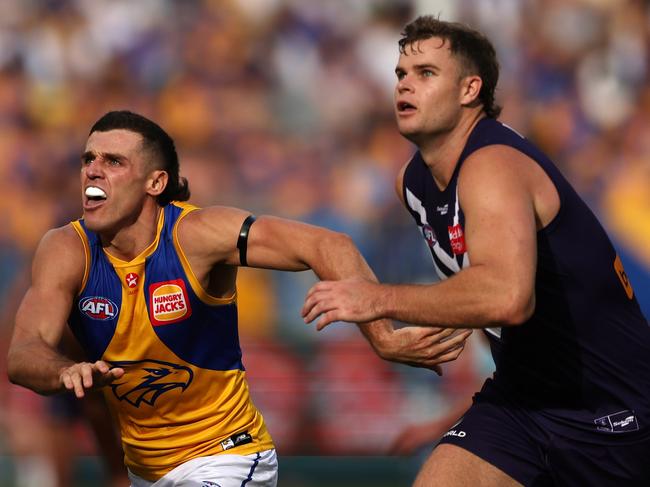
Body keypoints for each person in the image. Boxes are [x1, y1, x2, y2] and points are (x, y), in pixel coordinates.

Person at [6, 110, 470, 487]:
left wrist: (383, 338)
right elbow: (24, 353)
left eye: (113, 161)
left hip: (227, 458)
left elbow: (330, 246)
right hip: (150, 474)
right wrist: (66, 372)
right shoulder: (65, 249)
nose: (92, 169)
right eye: (89, 157)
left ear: (155, 182)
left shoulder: (199, 235)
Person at [302, 16, 650, 486]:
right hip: (519, 409)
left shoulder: (493, 165)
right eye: (401, 74)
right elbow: (489, 313)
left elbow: (507, 296)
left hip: (613, 414)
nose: (405, 85)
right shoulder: (415, 182)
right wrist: (457, 415)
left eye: (426, 74)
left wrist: (377, 297)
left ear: (470, 89)